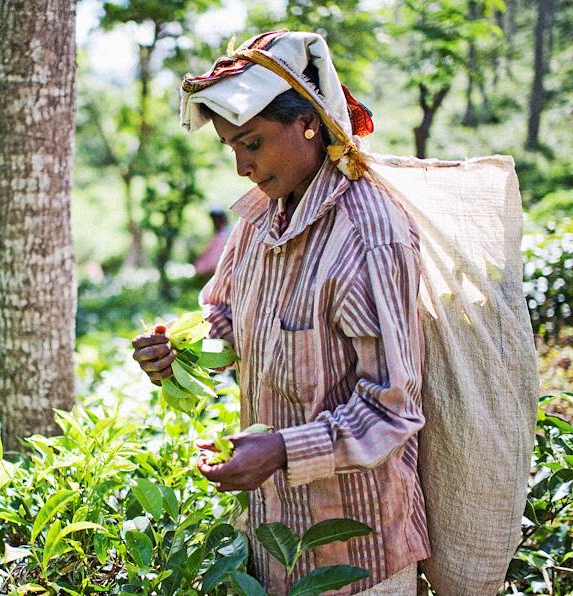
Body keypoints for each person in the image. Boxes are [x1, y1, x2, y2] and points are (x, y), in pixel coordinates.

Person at [132, 31, 427, 595]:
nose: (242, 166)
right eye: (231, 148)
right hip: (272, 539)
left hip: (360, 555)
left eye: (254, 143)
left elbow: (392, 410)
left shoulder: (370, 235)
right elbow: (225, 315)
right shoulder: (260, 219)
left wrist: (283, 450)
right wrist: (181, 351)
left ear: (308, 123)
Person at [193, 208, 231, 277]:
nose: (214, 222)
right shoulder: (219, 235)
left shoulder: (224, 235)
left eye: (216, 219)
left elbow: (214, 260)